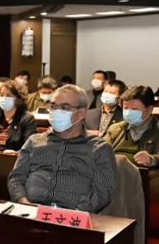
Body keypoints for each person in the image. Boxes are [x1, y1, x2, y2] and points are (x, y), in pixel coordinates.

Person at [8, 84, 116, 213]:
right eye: (53, 106)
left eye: (64, 108)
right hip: (30, 211)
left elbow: (103, 191)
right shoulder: (34, 141)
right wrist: (23, 202)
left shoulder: (99, 148)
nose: (56, 112)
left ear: (81, 113)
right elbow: (16, 177)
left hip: (73, 216)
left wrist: (76, 213)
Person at [104, 85, 159, 168]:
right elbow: (100, 152)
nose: (129, 113)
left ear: (149, 109)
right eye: (126, 108)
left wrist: (152, 160)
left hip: (141, 174)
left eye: (134, 109)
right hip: (111, 172)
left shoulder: (156, 130)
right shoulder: (115, 129)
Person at [0, 80, 37, 151]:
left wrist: (14, 153)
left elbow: (29, 147)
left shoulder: (27, 119)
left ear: (18, 99)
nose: (4, 98)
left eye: (8, 96)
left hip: (14, 157)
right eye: (1, 95)